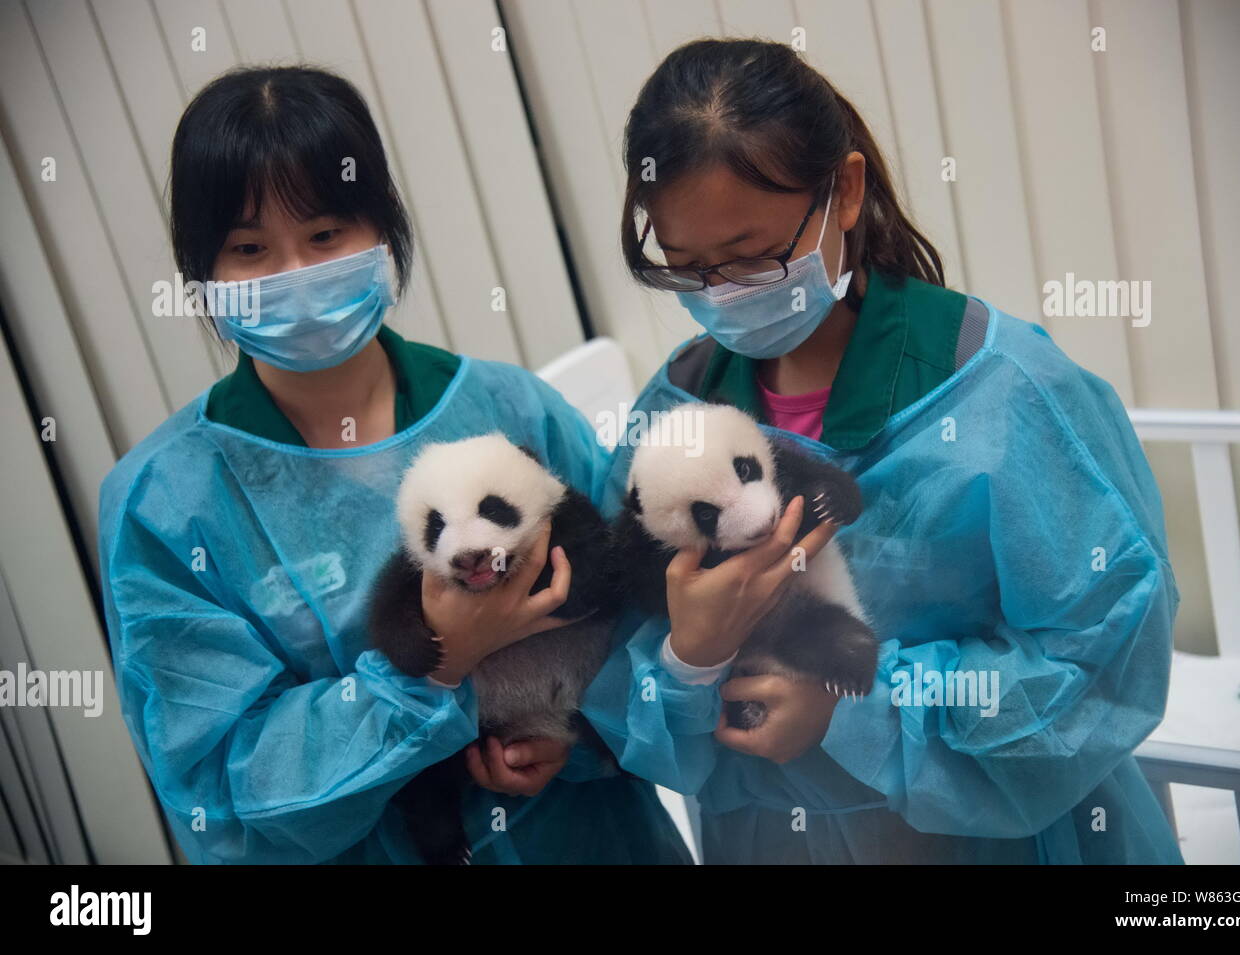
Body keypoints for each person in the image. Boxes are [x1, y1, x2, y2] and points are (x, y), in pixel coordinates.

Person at [582, 38, 1184, 864]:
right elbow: (617, 661)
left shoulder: (1004, 390)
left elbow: (1103, 655)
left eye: (754, 258)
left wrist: (854, 707)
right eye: (689, 270)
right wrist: (689, 660)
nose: (723, 295)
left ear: (847, 190)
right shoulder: (678, 411)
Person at [98, 64, 689, 864]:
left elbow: (646, 636)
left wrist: (577, 737)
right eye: (249, 248)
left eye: (325, 235)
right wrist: (440, 667)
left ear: (382, 229)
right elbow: (227, 795)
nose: (295, 275)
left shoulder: (513, 411)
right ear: (202, 272)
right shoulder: (167, 503)